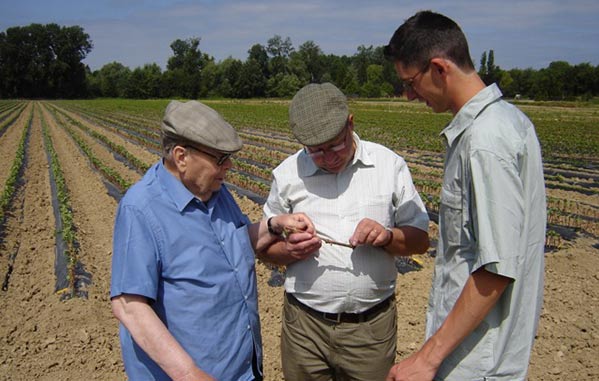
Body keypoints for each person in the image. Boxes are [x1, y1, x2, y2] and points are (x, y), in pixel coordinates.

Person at [383, 10, 547, 381]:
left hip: (476, 361)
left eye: (410, 82)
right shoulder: (507, 122)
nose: (409, 96)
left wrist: (426, 358)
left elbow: (497, 266)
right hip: (475, 352)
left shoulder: (485, 140)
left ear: (439, 69)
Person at [110, 100, 320, 381]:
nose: (229, 165)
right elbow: (129, 305)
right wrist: (189, 374)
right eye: (220, 158)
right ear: (181, 156)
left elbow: (234, 243)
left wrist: (274, 225)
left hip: (242, 369)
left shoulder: (215, 192)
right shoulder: (142, 209)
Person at [260, 83, 430, 381]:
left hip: (370, 331)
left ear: (350, 123)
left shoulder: (388, 166)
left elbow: (420, 240)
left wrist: (387, 237)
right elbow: (263, 248)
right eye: (316, 151)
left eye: (335, 145)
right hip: (304, 329)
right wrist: (289, 251)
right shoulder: (287, 174)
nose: (328, 157)